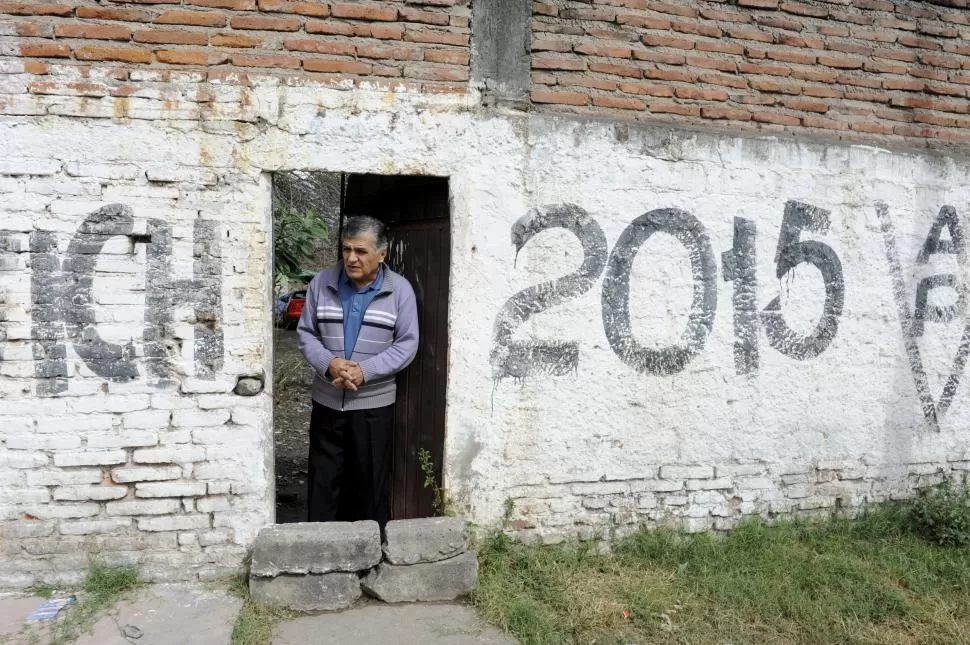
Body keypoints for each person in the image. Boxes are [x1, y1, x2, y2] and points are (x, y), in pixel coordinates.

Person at [296, 215, 419, 528]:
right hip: (326, 403)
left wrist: (365, 370)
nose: (351, 258)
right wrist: (330, 363)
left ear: (382, 254)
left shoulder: (400, 291)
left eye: (361, 251)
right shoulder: (321, 283)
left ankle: (368, 558)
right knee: (323, 484)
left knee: (369, 485)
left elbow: (407, 344)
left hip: (374, 407)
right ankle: (321, 553)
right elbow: (306, 333)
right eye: (346, 249)